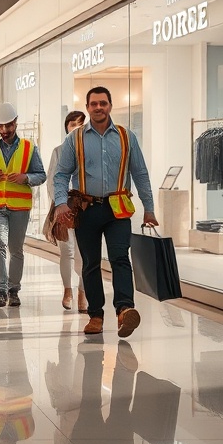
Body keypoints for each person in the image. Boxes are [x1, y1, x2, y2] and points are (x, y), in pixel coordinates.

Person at [53, 86, 157, 338]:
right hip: (86, 210)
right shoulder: (74, 139)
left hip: (117, 209)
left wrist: (149, 208)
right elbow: (61, 174)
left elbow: (140, 173)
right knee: (90, 263)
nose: (98, 107)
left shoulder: (125, 136)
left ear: (110, 106)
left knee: (120, 258)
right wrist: (60, 203)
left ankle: (124, 310)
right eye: (93, 104)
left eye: (103, 103)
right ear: (87, 108)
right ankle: (96, 315)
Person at [0, 103, 46, 308]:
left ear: (15, 123)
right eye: (1, 126)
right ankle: (0, 290)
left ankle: (14, 289)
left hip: (19, 207)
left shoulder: (29, 148)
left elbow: (41, 175)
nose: (4, 131)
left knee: (16, 249)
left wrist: (25, 178)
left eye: (8, 126)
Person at [48, 111, 88, 312]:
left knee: (84, 253)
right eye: (73, 124)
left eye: (81, 124)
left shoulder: (90, 150)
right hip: (64, 206)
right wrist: (58, 206)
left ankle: (82, 292)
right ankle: (67, 290)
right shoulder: (59, 151)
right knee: (67, 250)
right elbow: (52, 179)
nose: (77, 127)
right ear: (66, 127)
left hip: (86, 208)